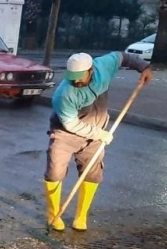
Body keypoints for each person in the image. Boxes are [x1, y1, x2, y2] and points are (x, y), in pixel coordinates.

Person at [44, 51, 153, 232]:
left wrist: (144, 67)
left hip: (95, 131)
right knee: (55, 171)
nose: (76, 81)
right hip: (65, 132)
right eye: (72, 78)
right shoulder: (63, 95)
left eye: (79, 77)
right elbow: (71, 124)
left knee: (93, 173)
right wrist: (99, 134)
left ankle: (81, 216)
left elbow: (123, 57)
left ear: (91, 70)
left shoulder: (104, 65)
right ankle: (53, 214)